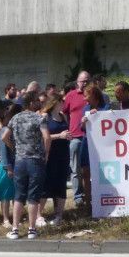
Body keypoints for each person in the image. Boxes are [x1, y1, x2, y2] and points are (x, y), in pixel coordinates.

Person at [5, 92, 50, 240]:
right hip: (36, 160)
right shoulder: (39, 118)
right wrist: (46, 154)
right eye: (37, 100)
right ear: (31, 103)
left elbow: (4, 136)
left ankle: (15, 229)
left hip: (20, 160)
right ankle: (31, 229)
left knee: (19, 195)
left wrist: (14, 147)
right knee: (33, 196)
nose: (39, 102)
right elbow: (47, 137)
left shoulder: (15, 118)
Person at [39, 92, 71, 226]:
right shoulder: (45, 117)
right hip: (49, 154)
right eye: (62, 101)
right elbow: (42, 137)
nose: (64, 103)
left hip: (63, 155)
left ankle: (59, 214)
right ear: (55, 103)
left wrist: (67, 136)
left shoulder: (63, 116)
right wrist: (60, 136)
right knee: (46, 185)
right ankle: (38, 214)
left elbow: (67, 132)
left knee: (60, 184)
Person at [61, 71, 91, 206]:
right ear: (77, 81)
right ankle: (78, 197)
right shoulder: (70, 95)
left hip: (92, 137)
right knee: (75, 169)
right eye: (82, 81)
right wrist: (70, 127)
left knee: (90, 169)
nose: (84, 83)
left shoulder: (93, 94)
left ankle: (91, 194)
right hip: (75, 137)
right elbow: (64, 113)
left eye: (87, 81)